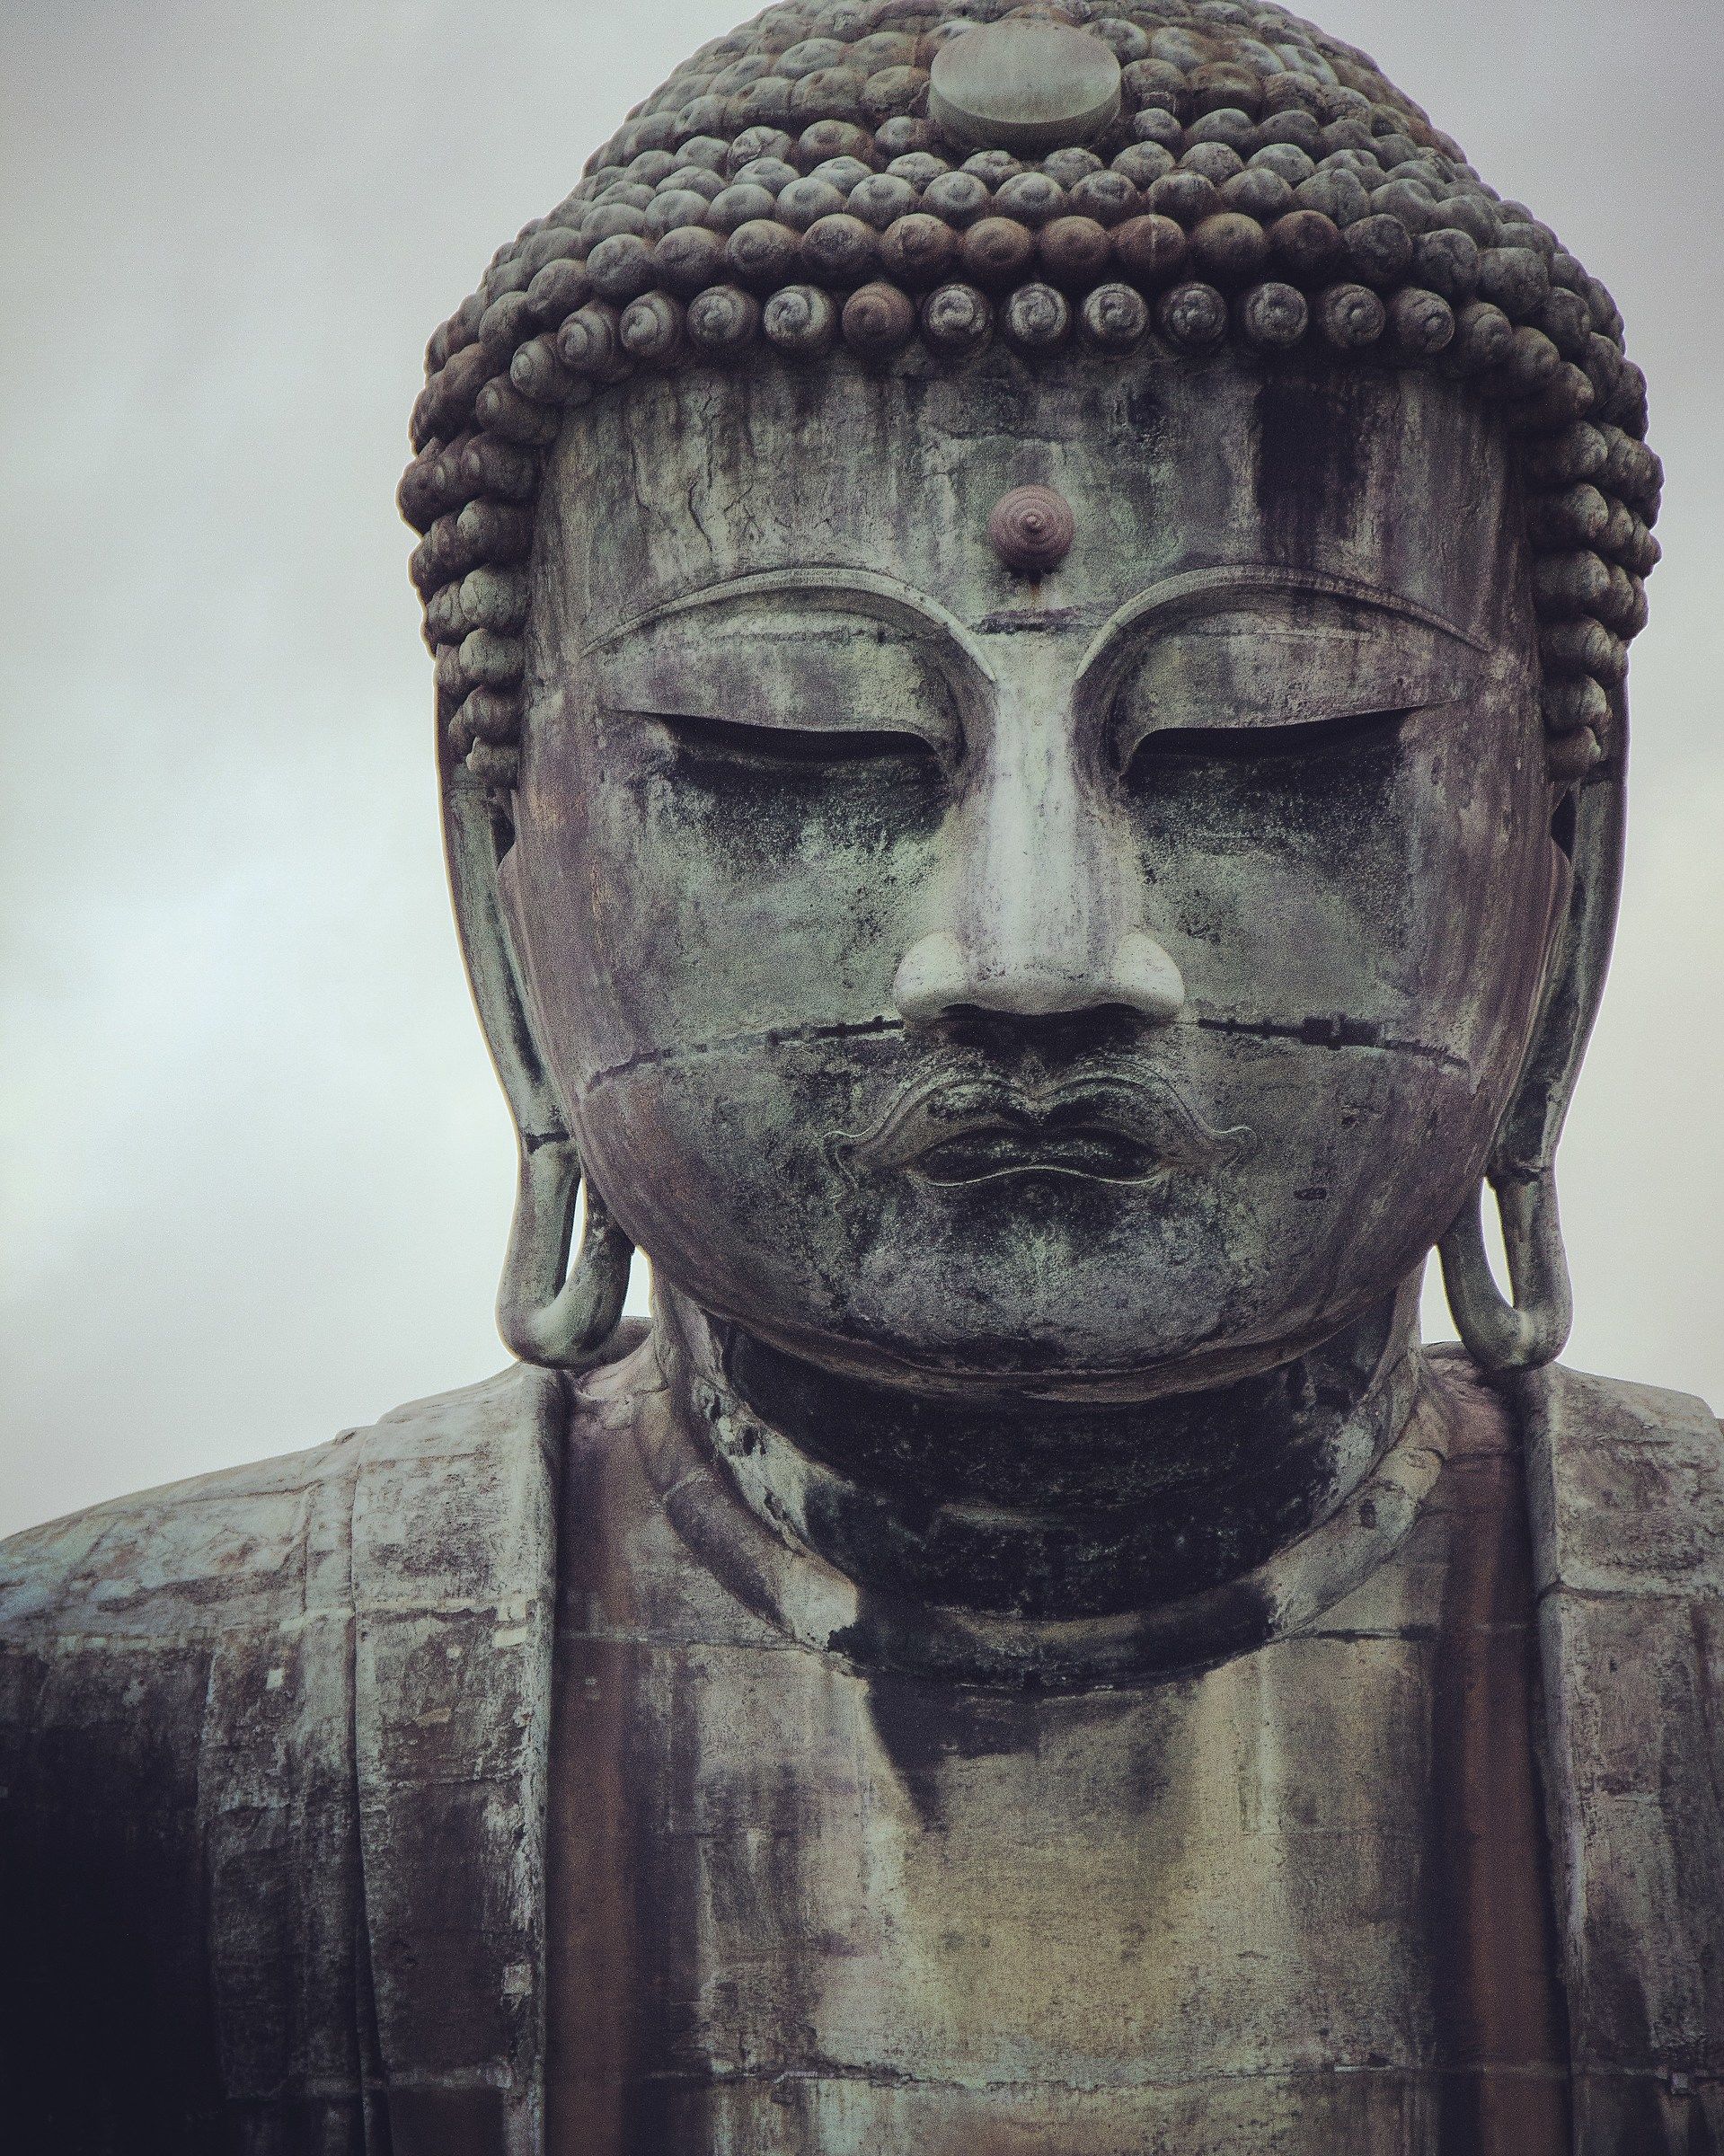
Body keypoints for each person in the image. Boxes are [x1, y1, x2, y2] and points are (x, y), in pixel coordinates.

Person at [4, 1, 1715, 2150]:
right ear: (495, 888)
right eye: (788, 752)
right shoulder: (101, 1750)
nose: (1030, 956)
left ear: (1562, 880)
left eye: (1265, 749)